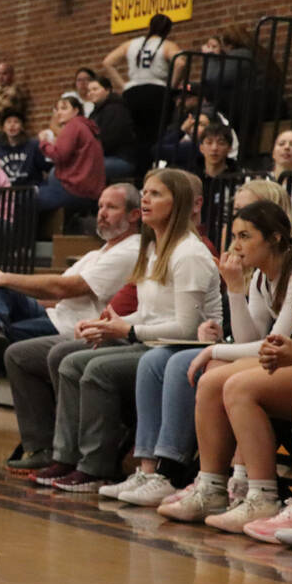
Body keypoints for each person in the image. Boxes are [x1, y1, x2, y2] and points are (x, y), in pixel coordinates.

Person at [173, 169, 292, 534]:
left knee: (238, 383)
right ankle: (216, 484)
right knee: (213, 376)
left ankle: (285, 496)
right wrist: (235, 288)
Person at [115, 201, 292, 509]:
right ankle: (212, 483)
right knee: (213, 366)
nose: (236, 246)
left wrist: (214, 348)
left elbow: (273, 343)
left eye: (245, 236)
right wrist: (234, 288)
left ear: (275, 238)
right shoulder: (258, 276)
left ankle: (242, 484)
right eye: (234, 237)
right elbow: (249, 338)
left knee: (216, 370)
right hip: (279, 359)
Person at [44, 168, 222, 492]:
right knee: (70, 360)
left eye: (156, 194)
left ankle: (99, 467)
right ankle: (69, 458)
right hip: (156, 340)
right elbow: (153, 312)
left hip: (182, 346)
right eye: (145, 192)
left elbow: (188, 327)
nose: (145, 199)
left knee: (96, 369)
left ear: (179, 202)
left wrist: (126, 330)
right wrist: (107, 325)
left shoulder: (189, 253)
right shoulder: (155, 249)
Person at [0, 183, 141, 468]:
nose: (102, 213)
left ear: (134, 215)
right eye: (99, 207)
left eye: (112, 207)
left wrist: (5, 278)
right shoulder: (98, 253)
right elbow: (56, 298)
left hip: (72, 329)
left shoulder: (130, 250)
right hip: (53, 315)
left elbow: (65, 288)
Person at [102, 14, 187, 172]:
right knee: (156, 134)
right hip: (157, 92)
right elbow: (181, 63)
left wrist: (123, 85)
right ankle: (151, 170)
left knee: (137, 134)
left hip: (133, 92)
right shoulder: (167, 45)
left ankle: (139, 171)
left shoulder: (132, 44)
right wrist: (172, 85)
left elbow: (108, 62)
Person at [36, 94, 104, 214]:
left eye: (64, 108)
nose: (59, 113)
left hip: (75, 191)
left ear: (76, 110)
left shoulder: (73, 126)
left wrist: (44, 143)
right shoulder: (86, 126)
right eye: (57, 109)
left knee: (27, 197)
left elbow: (59, 155)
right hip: (90, 192)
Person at [87, 77, 137, 181]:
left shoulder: (116, 109)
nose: (91, 93)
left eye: (95, 89)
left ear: (107, 90)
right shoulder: (95, 113)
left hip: (121, 158)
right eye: (89, 91)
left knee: (85, 169)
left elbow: (110, 140)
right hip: (103, 157)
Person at [0, 109, 47, 185]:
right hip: (7, 193)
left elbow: (47, 167)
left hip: (31, 191)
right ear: (3, 128)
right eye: (8, 122)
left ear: (22, 127)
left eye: (16, 122)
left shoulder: (33, 146)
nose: (12, 125)